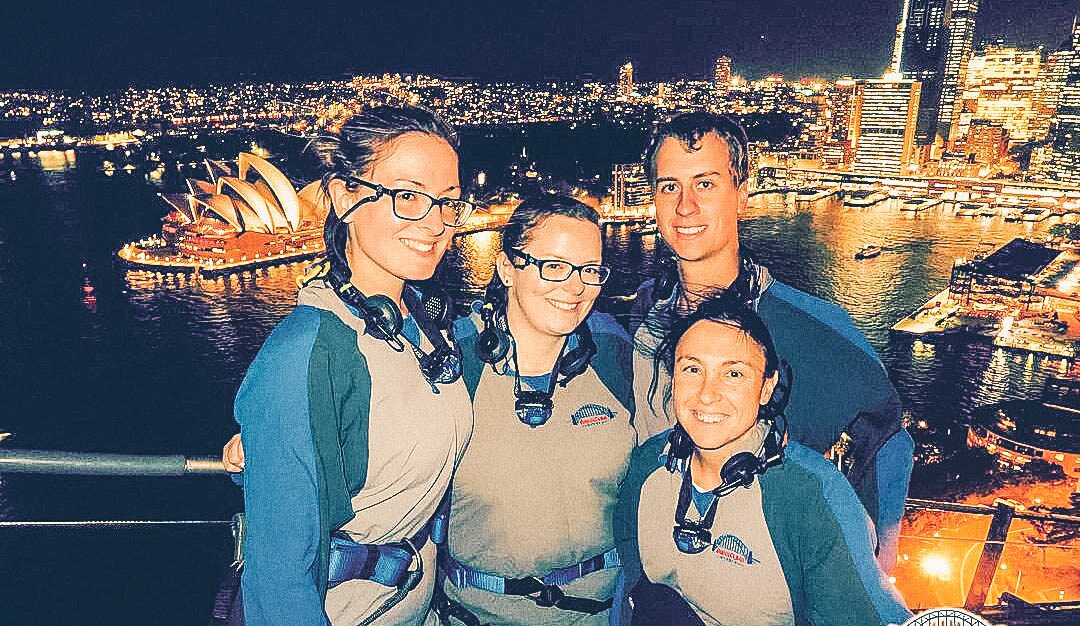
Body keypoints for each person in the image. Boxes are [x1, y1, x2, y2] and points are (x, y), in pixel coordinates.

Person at [627, 112, 913, 569]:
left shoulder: (811, 328)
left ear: (741, 195)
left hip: (760, 577)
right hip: (660, 567)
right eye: (669, 186)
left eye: (705, 184)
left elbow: (885, 435)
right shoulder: (645, 316)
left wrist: (869, 566)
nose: (685, 207)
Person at [231, 105, 475, 626]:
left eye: (449, 203)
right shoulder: (307, 354)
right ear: (345, 197)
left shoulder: (421, 322)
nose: (435, 223)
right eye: (408, 196)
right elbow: (278, 582)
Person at [615, 297, 912, 626]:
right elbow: (632, 578)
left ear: (767, 387)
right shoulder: (648, 466)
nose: (707, 393)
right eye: (693, 368)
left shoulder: (812, 495)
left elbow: (860, 614)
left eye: (734, 373)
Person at [439, 194, 637, 625]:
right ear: (507, 268)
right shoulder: (451, 362)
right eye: (554, 266)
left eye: (590, 271)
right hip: (476, 616)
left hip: (600, 615)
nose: (575, 287)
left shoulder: (615, 354)